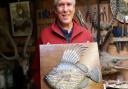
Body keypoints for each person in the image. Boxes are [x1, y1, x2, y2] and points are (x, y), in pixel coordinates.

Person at [31, 0, 93, 89]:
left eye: (69, 4)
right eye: (61, 5)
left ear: (74, 8)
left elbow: (92, 64)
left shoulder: (86, 34)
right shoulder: (44, 35)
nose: (65, 9)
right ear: (55, 10)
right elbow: (36, 70)